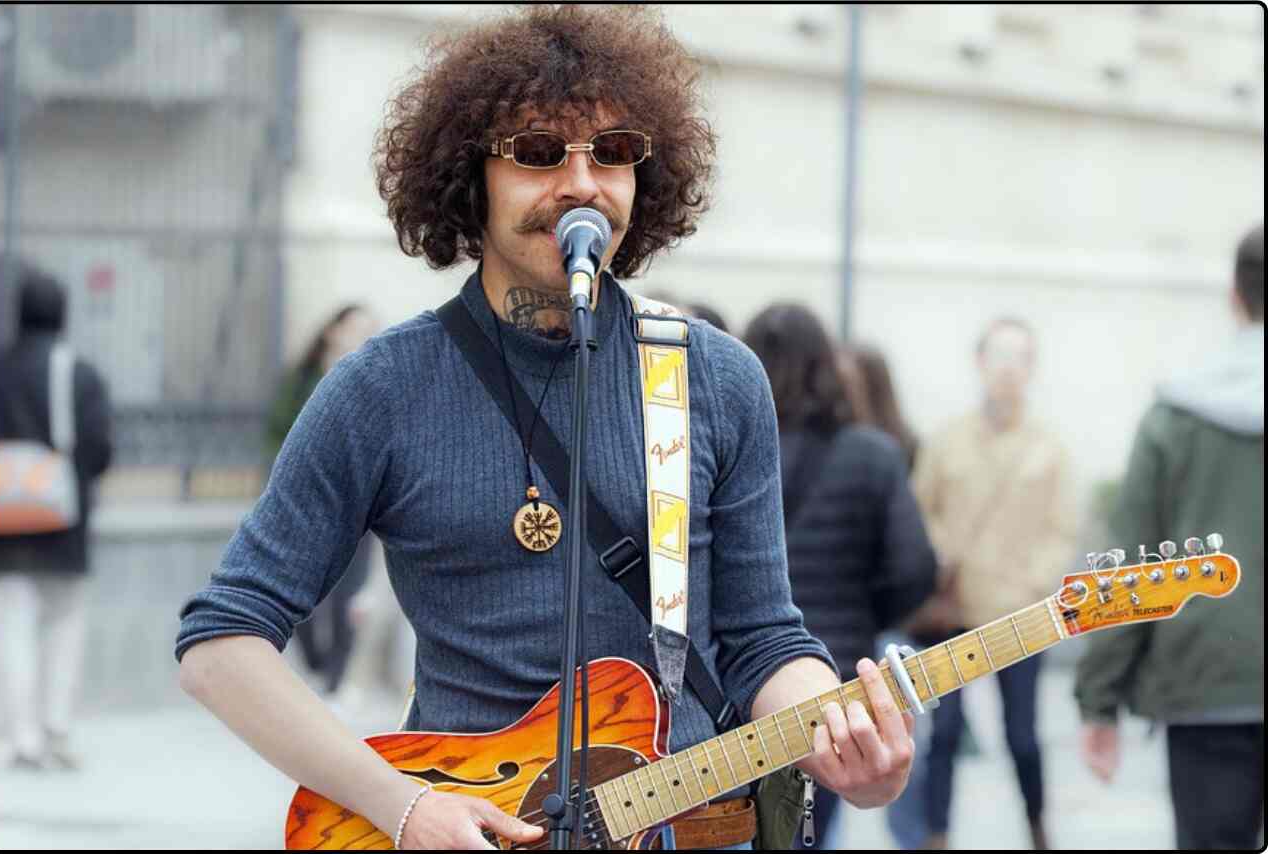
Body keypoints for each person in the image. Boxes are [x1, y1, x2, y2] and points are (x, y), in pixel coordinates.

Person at [174, 7, 914, 852]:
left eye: (612, 152)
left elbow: (760, 639)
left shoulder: (715, 377)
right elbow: (219, 644)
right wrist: (402, 806)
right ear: (470, 177)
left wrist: (849, 747)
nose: (580, 183)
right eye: (536, 153)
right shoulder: (381, 388)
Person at [1074, 224, 1264, 851]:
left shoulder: (1176, 415)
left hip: (1206, 681)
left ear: (1235, 295)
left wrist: (1099, 700)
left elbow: (1132, 564)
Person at [744, 306, 937, 850]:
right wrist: (862, 610)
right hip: (838, 674)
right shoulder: (872, 453)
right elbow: (915, 567)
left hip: (739, 686)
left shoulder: (723, 446)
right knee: (811, 828)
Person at [909, 317, 1077, 849]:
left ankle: (1037, 826)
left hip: (1020, 614)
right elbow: (920, 507)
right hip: (953, 611)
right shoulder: (947, 440)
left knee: (1023, 736)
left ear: (1031, 369)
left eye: (1019, 358)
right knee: (946, 733)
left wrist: (1034, 582)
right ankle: (936, 834)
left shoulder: (1048, 448)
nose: (1008, 369)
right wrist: (940, 549)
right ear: (980, 364)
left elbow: (1062, 527)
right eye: (998, 356)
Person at [0, 260, 114, 771]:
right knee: (63, 625)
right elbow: (99, 451)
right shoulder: (79, 373)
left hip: (1, 522)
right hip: (65, 524)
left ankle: (22, 739)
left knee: (12, 626)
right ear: (64, 315)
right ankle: (57, 728)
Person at [265, 303, 382, 696]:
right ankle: (317, 664)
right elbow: (278, 432)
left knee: (349, 598)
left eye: (370, 329)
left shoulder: (379, 380)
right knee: (302, 597)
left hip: (361, 505)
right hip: (307, 505)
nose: (362, 336)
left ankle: (334, 679)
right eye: (355, 328)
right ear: (332, 331)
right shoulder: (303, 381)